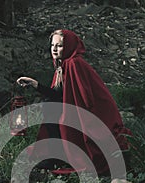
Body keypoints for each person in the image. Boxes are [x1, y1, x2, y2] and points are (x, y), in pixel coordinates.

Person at [17, 29, 132, 175]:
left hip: (96, 111)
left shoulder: (74, 63)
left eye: (59, 45)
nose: (54, 49)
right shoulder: (62, 66)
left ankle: (60, 157)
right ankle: (56, 155)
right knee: (50, 107)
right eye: (53, 45)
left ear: (69, 46)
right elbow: (58, 95)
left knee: (57, 113)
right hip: (79, 107)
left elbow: (84, 97)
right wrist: (35, 84)